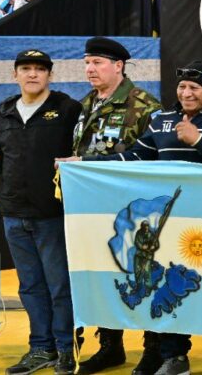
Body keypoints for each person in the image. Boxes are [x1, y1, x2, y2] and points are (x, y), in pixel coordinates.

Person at [62, 61, 202, 375]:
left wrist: (198, 139)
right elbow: (133, 156)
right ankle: (175, 355)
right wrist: (85, 162)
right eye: (182, 87)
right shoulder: (161, 120)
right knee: (170, 285)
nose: (186, 93)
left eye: (194, 88)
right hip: (170, 224)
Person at [70, 37, 162, 375]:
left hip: (134, 213)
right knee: (103, 275)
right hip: (94, 211)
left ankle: (153, 348)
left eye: (97, 62)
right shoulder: (85, 104)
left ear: (119, 66)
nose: (90, 69)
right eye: (87, 63)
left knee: (144, 275)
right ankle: (111, 345)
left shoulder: (144, 105)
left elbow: (153, 158)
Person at [0, 50, 83, 375]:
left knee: (60, 285)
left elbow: (81, 154)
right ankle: (40, 348)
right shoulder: (3, 111)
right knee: (30, 286)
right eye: (26, 68)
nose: (33, 74)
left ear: (50, 75)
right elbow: (0, 158)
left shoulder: (67, 108)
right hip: (13, 213)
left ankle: (65, 348)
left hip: (52, 214)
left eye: (40, 69)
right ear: (14, 73)